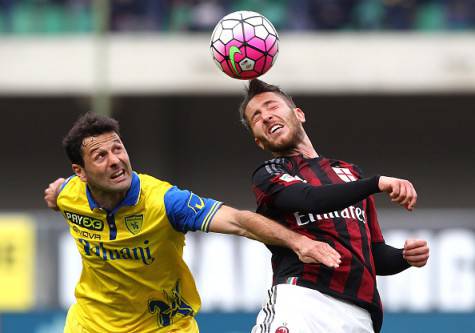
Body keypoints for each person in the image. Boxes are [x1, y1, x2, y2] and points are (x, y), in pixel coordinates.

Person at [44, 112, 351, 333]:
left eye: (118, 149)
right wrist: (55, 194)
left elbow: (238, 221)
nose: (115, 160)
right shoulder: (70, 192)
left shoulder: (165, 202)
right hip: (88, 325)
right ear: (80, 172)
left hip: (164, 327)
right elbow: (59, 193)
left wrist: (298, 241)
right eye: (100, 156)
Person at [239, 79, 430, 333]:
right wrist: (377, 183)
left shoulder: (349, 173)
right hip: (302, 302)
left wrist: (404, 257)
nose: (265, 116)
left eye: (271, 106)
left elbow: (372, 253)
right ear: (259, 141)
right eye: (256, 117)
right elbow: (310, 199)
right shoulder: (269, 173)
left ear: (299, 114)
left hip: (360, 315)